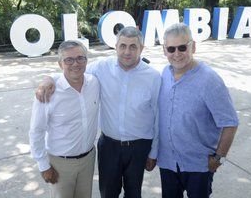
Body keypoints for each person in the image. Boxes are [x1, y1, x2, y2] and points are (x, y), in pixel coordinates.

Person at [36, 27, 161, 198]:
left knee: (134, 193)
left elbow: (158, 116)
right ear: (116, 46)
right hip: (109, 146)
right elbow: (73, 70)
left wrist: (154, 152)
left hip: (139, 147)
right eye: (123, 45)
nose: (127, 51)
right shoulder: (102, 67)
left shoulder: (153, 77)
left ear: (142, 48)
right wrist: (48, 78)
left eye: (133, 46)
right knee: (108, 192)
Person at [157, 23, 239, 198]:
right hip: (168, 163)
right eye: (171, 49)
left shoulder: (210, 80)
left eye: (182, 47)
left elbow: (230, 123)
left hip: (199, 166)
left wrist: (219, 158)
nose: (176, 54)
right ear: (164, 51)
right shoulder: (164, 73)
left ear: (193, 46)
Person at [29, 40, 100, 198]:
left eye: (80, 58)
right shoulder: (49, 93)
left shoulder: (94, 83)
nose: (76, 64)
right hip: (60, 164)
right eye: (69, 59)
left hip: (88, 160)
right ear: (60, 63)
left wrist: (49, 77)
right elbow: (36, 131)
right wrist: (43, 165)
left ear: (86, 60)